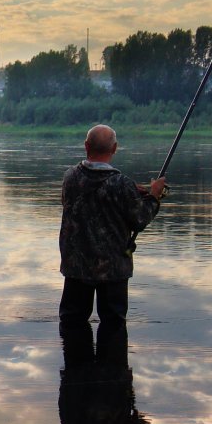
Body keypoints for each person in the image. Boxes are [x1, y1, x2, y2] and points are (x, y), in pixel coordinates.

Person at [58, 124, 166, 327]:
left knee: (71, 322)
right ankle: (111, 358)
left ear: (86, 146)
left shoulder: (70, 177)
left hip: (76, 266)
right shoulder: (121, 184)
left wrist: (131, 191)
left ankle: (74, 357)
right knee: (113, 324)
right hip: (113, 269)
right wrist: (154, 196)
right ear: (114, 149)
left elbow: (80, 197)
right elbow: (140, 219)